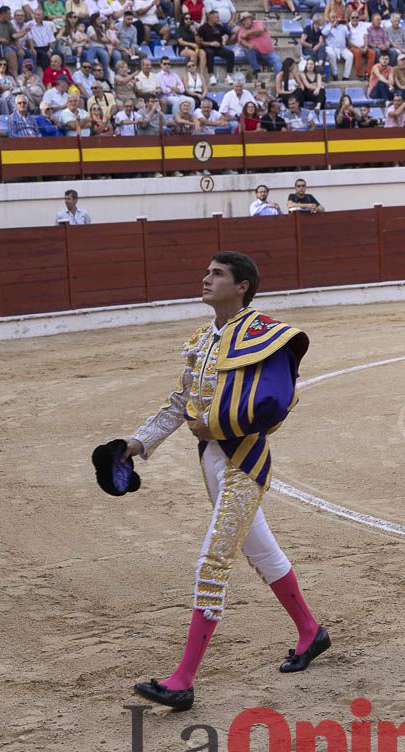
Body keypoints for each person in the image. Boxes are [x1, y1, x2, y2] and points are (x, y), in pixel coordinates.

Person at [124, 251, 328, 712]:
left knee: (213, 560)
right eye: (207, 271)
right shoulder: (202, 340)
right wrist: (135, 444)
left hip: (244, 463)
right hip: (213, 464)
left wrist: (215, 428)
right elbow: (181, 403)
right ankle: (311, 632)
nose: (206, 278)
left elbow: (276, 402)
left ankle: (183, 680)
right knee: (265, 554)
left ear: (242, 286)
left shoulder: (265, 335)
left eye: (217, 274)